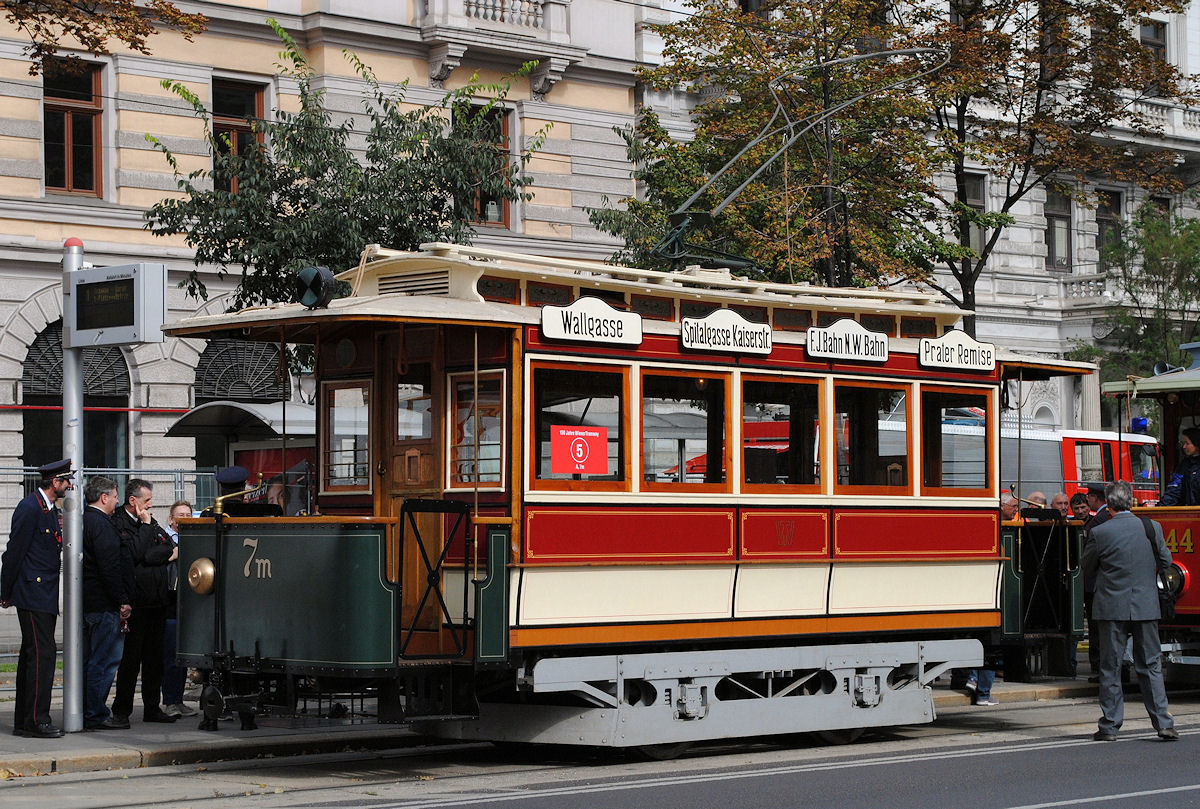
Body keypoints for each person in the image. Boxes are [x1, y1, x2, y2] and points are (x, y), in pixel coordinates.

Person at [1082, 480, 1178, 741]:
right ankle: (1163, 723)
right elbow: (1167, 561)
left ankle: (1110, 726)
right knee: (1151, 665)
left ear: (1109, 504)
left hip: (1111, 607)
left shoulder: (1100, 533)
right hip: (1146, 605)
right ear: (1131, 501)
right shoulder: (1151, 527)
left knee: (1110, 667)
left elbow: (1086, 568)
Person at [0, 459, 72, 738]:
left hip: (42, 592)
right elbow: (14, 552)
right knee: (42, 655)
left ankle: (25, 720)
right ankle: (36, 720)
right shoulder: (30, 508)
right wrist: (5, 592)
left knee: (34, 655)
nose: (69, 486)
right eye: (66, 481)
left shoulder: (48, 509)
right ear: (55, 483)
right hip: (33, 592)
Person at [111, 479, 179, 725]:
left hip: (157, 601)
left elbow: (170, 548)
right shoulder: (120, 522)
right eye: (147, 500)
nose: (150, 505)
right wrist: (147, 536)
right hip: (137, 602)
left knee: (154, 659)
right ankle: (122, 711)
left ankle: (152, 706)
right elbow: (134, 554)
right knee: (131, 660)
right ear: (133, 501)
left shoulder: (151, 522)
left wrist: (151, 554)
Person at [81, 476, 132, 730]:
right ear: (104, 497)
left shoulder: (84, 520)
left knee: (92, 660)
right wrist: (121, 600)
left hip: (92, 602)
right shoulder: (100, 524)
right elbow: (109, 567)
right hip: (103, 605)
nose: (116, 500)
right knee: (103, 661)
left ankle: (87, 710)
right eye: (114, 496)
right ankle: (95, 713)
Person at [160, 499, 197, 718]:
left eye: (189, 514)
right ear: (172, 519)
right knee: (170, 655)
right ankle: (170, 701)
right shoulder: (164, 539)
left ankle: (179, 699)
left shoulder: (193, 539)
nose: (185, 518)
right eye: (180, 515)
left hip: (188, 604)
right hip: (169, 603)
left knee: (182, 656)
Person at [1081, 481, 1111, 682]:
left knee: (1097, 627)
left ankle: (1099, 666)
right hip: (1098, 582)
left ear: (1096, 498)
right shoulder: (1101, 517)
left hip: (1096, 582)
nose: (1087, 500)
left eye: (1089, 497)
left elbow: (1093, 551)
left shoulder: (1100, 519)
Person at [1159, 427, 1200, 506]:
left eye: (1187, 443)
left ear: (1197, 445)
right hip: (1191, 515)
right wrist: (1161, 508)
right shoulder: (1185, 465)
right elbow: (1174, 489)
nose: (1184, 447)